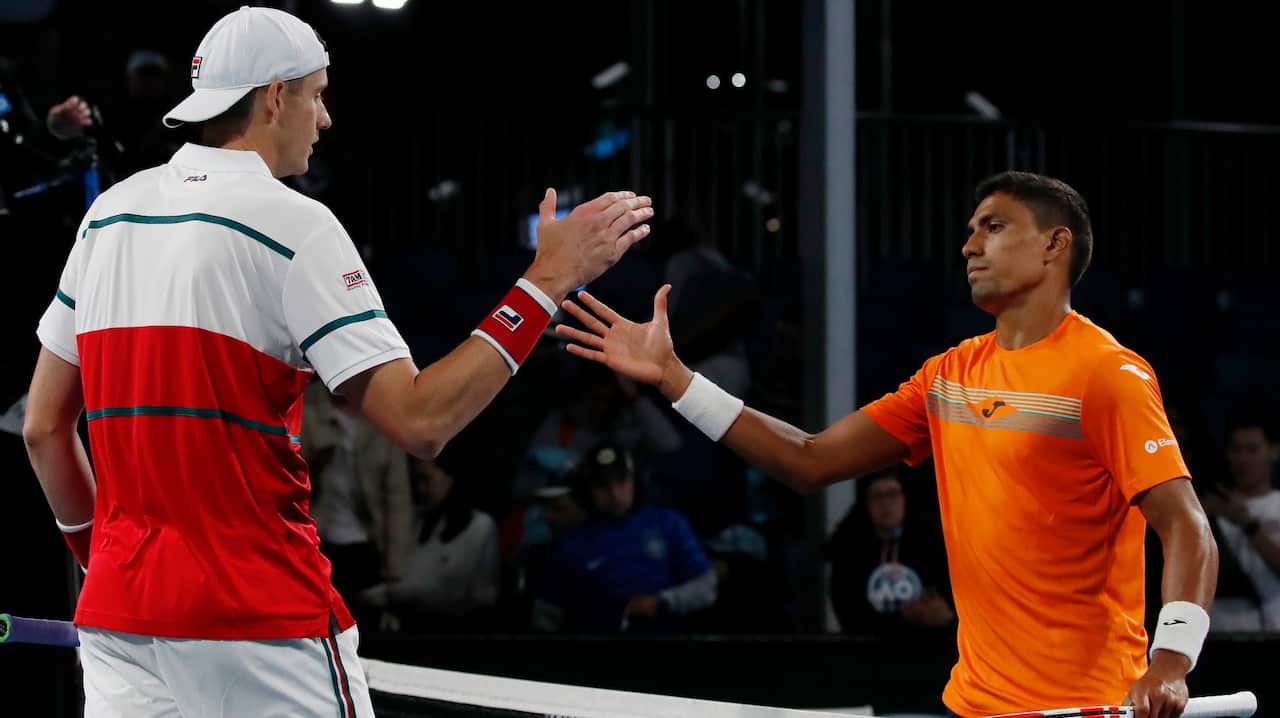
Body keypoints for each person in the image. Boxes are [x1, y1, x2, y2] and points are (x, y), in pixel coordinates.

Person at [21, 6, 652, 717]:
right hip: (258, 616)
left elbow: (44, 429)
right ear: (274, 97)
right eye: (317, 94)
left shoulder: (108, 215)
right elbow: (423, 422)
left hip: (121, 621)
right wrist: (545, 284)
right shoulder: (296, 225)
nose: (324, 119)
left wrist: (105, 560)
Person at [557, 171, 1218, 718]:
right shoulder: (949, 375)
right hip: (973, 705)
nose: (970, 246)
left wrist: (1170, 662)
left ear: (1055, 245)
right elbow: (809, 460)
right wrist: (675, 379)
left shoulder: (1108, 374)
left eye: (993, 227)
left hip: (1087, 707)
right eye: (970, 231)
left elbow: (1188, 527)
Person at [531, 441, 717, 633]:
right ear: (586, 490)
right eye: (602, 485)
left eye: (621, 481)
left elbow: (706, 586)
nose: (614, 493)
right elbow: (548, 614)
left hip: (665, 638)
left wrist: (663, 601)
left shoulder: (668, 523)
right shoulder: (572, 542)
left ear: (634, 481)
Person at [301, 378, 414, 627]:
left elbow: (397, 498)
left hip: (366, 547)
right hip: (316, 545)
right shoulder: (305, 405)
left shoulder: (383, 410)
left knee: (364, 629)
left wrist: (395, 571)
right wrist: (315, 466)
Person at [826, 469, 954, 637]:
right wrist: (903, 618)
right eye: (877, 496)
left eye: (892, 494)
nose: (886, 503)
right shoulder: (849, 552)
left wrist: (943, 616)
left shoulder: (932, 545)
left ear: (905, 499)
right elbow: (848, 613)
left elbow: (948, 607)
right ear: (866, 504)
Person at [1201, 412, 1280, 631]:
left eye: (1252, 450)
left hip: (1272, 630)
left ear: (1273, 451)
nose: (1243, 459)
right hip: (1217, 629)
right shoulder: (1206, 509)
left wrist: (1247, 524)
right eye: (1236, 450)